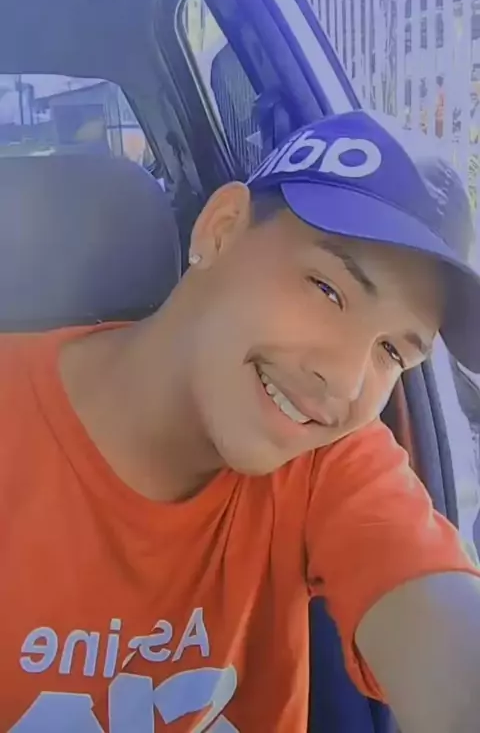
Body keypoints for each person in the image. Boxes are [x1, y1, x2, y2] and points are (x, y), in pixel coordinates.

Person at [2, 110, 480, 733]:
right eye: (327, 290)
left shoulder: (327, 460)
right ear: (222, 230)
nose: (343, 382)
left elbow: (442, 625)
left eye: (392, 352)